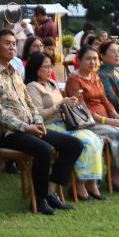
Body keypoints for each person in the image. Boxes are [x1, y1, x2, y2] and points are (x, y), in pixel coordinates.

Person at [0, 29, 83, 215]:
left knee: (73, 144)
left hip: (31, 128)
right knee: (44, 150)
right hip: (8, 134)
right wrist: (26, 126)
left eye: (13, 43)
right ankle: (40, 200)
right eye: (7, 43)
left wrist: (37, 121)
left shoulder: (16, 73)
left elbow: (29, 103)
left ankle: (50, 191)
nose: (12, 47)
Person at [66, 46, 119, 191]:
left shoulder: (95, 76)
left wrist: (115, 114)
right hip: (90, 123)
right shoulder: (74, 80)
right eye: (88, 59)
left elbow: (105, 100)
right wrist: (109, 121)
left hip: (107, 118)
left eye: (94, 59)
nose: (92, 62)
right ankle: (115, 177)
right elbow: (82, 110)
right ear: (79, 60)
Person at [24, 52, 105, 200]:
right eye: (46, 67)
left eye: (51, 67)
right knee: (84, 141)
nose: (49, 70)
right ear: (35, 68)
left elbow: (62, 106)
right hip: (46, 125)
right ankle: (80, 186)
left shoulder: (52, 84)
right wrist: (59, 106)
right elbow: (37, 115)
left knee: (94, 138)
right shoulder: (32, 87)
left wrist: (70, 102)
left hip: (62, 123)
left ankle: (91, 183)